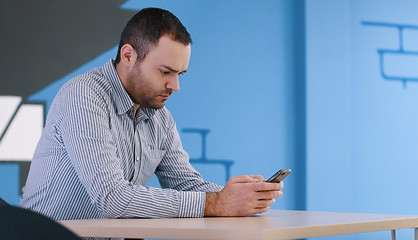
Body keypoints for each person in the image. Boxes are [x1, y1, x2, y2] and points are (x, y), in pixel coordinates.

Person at [20, 8, 283, 221]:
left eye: (180, 74)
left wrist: (239, 196)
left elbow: (187, 185)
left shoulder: (160, 117)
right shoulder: (83, 96)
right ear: (128, 56)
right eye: (165, 71)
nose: (175, 86)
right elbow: (113, 199)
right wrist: (217, 203)